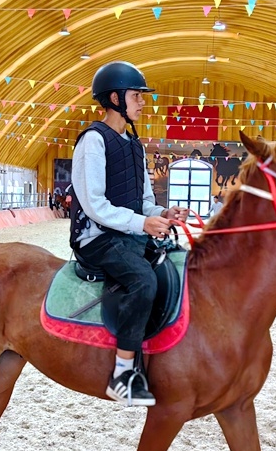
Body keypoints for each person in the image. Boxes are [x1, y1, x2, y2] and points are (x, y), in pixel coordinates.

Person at [70, 61, 188, 406]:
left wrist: (161, 214)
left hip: (128, 235)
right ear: (115, 98)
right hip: (96, 238)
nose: (142, 102)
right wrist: (141, 224)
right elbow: (94, 204)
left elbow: (144, 203)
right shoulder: (93, 140)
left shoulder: (136, 146)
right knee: (143, 281)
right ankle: (122, 374)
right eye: (137, 95)